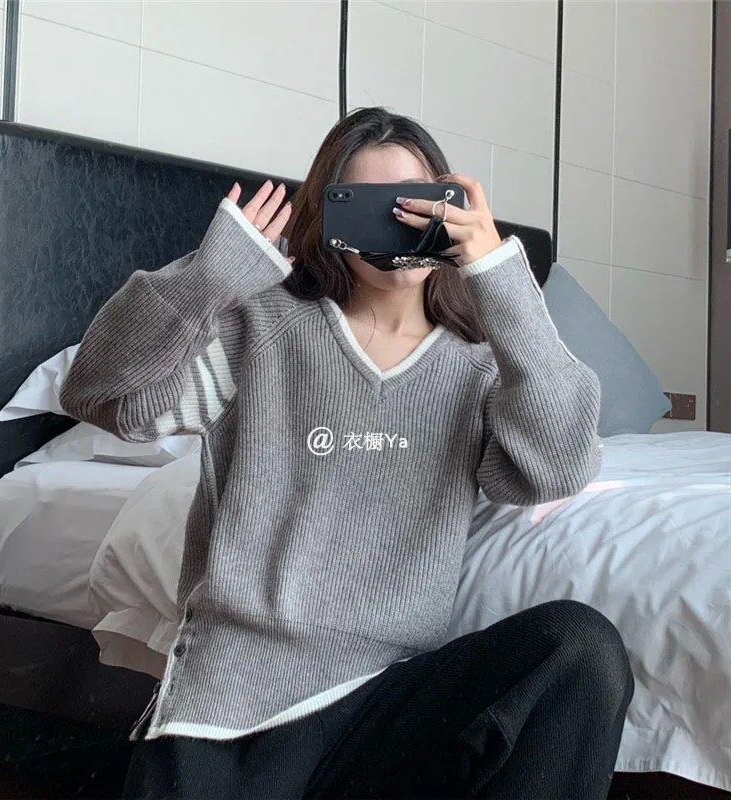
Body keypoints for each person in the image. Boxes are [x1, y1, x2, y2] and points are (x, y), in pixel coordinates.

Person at [60, 106, 634, 800]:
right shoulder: (263, 328)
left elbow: (558, 467)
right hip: (235, 706)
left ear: (451, 210)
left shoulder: (483, 366)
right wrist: (205, 281)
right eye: (368, 205)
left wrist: (500, 279)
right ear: (330, 219)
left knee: (582, 649)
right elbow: (102, 397)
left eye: (417, 203)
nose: (398, 224)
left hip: (390, 708)